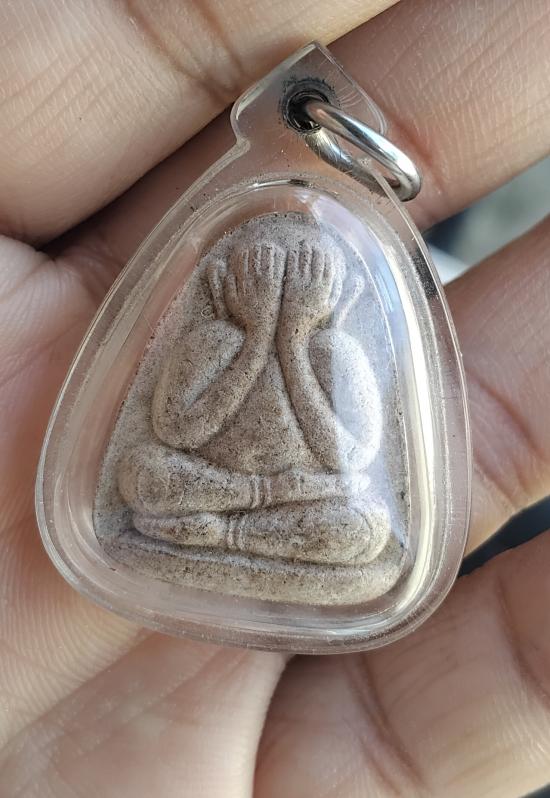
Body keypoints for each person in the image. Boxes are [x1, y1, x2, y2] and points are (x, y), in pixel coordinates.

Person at [0, 1, 549, 796]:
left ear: (335, 293)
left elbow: (343, 456)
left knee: (365, 528)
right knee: (144, 476)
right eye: (261, 273)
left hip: (292, 503)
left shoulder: (335, 348)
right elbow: (178, 429)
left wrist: (292, 344)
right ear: (227, 277)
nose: (282, 290)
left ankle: (213, 535)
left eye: (302, 280)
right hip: (220, 491)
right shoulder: (212, 338)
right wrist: (255, 336)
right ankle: (217, 527)